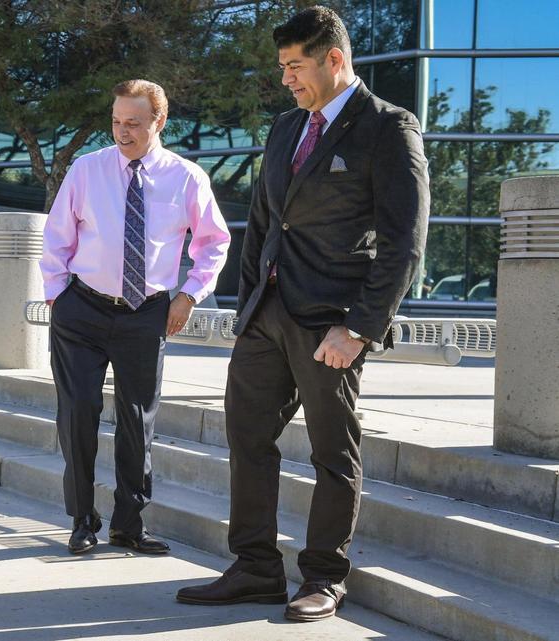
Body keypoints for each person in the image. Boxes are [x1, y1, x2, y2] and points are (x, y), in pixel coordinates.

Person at [174, 7, 429, 621]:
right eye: (283, 66)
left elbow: (405, 241)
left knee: (331, 453)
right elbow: (264, 221)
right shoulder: (287, 128)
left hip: (332, 324)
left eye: (296, 65)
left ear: (333, 59)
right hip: (268, 315)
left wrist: (361, 327)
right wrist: (247, 306)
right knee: (247, 438)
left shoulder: (389, 128)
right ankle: (255, 568)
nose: (286, 78)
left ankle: (323, 576)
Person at [41, 79, 231, 556]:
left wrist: (189, 295)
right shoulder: (87, 170)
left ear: (158, 122)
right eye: (116, 122)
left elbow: (213, 243)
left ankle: (129, 524)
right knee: (78, 415)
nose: (122, 133)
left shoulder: (186, 177)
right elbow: (57, 235)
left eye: (133, 123)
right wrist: (55, 296)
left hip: (147, 313)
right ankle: (82, 519)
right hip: (81, 310)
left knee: (137, 420)